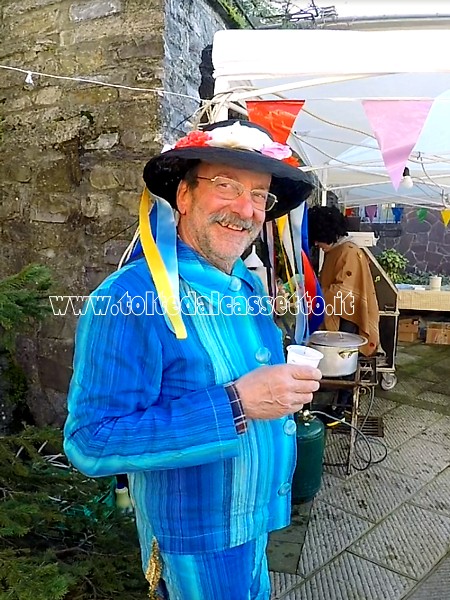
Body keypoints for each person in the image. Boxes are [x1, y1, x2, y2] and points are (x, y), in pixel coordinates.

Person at [64, 119, 322, 600]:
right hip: (194, 548)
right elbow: (90, 443)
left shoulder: (245, 283)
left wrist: (277, 386)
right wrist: (238, 404)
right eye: (225, 186)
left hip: (255, 524)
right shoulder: (128, 299)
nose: (245, 209)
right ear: (183, 196)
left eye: (259, 194)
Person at [307, 205, 380, 414]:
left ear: (326, 233)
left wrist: (315, 295)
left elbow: (344, 291)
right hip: (339, 312)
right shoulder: (336, 250)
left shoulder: (348, 251)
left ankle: (342, 406)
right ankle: (339, 403)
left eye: (317, 239)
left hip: (349, 316)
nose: (316, 244)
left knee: (345, 359)